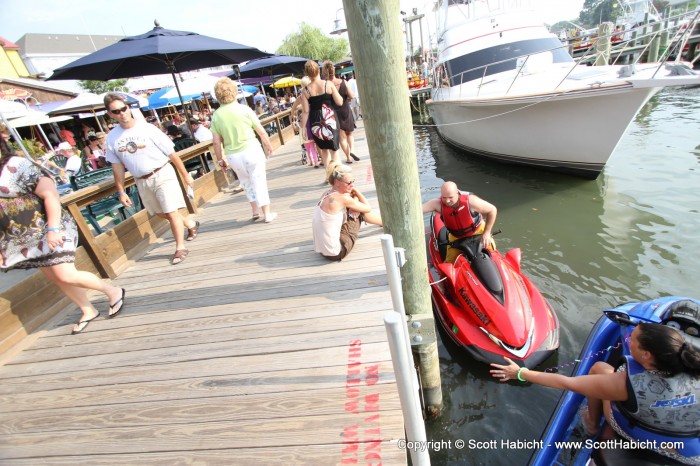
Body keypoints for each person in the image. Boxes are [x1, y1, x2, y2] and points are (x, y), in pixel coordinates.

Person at [490, 322, 700, 465]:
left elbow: (566, 382)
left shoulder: (626, 383)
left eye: (632, 340)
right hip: (690, 450)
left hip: (641, 436)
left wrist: (520, 373)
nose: (627, 340)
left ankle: (591, 423)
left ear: (646, 355)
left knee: (599, 368)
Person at [0, 136, 125, 334]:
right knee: (57, 278)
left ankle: (112, 290)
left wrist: (53, 229)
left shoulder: (17, 165)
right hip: (27, 238)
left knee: (65, 274)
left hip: (49, 228)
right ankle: (87, 309)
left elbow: (50, 194)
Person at [103, 93, 200, 265]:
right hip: (141, 179)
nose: (122, 113)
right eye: (116, 111)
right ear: (110, 114)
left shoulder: (147, 128)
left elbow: (172, 153)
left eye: (123, 109)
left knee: (171, 211)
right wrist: (120, 190)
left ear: (128, 108)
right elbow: (116, 166)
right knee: (157, 212)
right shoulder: (112, 137)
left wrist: (185, 176)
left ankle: (180, 247)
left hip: (162, 172)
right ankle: (190, 223)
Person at [210, 77, 277, 223]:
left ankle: (254, 211)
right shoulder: (244, 109)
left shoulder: (216, 115)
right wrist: (268, 144)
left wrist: (220, 159)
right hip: (251, 149)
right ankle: (267, 214)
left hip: (233, 155)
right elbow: (260, 130)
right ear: (233, 91)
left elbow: (216, 141)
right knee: (259, 180)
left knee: (246, 182)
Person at [312, 161, 383, 261]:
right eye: (349, 183)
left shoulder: (326, 194)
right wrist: (357, 192)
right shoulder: (343, 199)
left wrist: (354, 201)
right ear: (337, 183)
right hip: (337, 252)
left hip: (322, 251)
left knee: (355, 208)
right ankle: (386, 223)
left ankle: (383, 222)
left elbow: (350, 201)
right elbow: (367, 208)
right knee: (360, 212)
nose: (352, 185)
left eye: (353, 181)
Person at [422, 181, 497, 263]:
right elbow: (419, 209)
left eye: (450, 197)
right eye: (444, 197)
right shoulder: (437, 204)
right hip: (456, 237)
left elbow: (492, 210)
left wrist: (486, 233)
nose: (447, 201)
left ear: (457, 193)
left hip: (478, 232)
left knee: (494, 256)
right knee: (449, 263)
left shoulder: (471, 201)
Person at [301, 60, 343, 169]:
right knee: (334, 149)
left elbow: (305, 111)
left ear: (307, 73)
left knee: (324, 150)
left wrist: (303, 128)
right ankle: (338, 174)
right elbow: (339, 102)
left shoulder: (305, 91)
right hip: (330, 118)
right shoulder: (328, 84)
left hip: (316, 122)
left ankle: (329, 175)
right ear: (319, 70)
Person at [323, 61, 359, 164]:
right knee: (349, 133)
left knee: (342, 137)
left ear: (325, 72)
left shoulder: (326, 85)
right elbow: (351, 96)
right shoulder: (343, 82)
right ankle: (352, 150)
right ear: (334, 71)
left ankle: (348, 157)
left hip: (334, 113)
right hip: (346, 110)